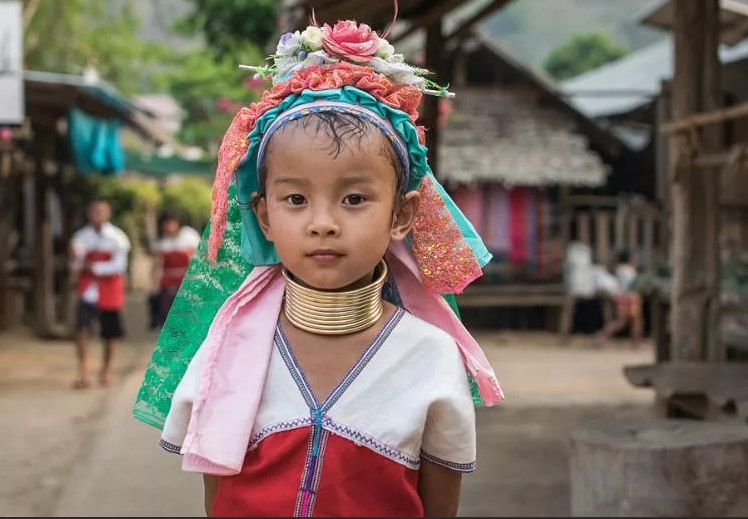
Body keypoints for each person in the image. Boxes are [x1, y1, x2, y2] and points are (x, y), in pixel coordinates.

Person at [134, 13, 502, 517]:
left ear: (402, 214)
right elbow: (217, 503)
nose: (322, 223)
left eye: (353, 198)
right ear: (262, 215)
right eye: (295, 200)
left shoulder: (432, 358)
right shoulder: (226, 350)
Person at [70, 199, 131, 389]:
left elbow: (119, 266)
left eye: (101, 211)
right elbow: (74, 264)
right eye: (94, 211)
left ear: (108, 214)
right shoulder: (80, 237)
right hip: (88, 290)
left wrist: (94, 267)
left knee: (109, 334)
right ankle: (83, 371)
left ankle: (105, 370)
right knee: (81, 329)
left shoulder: (117, 238)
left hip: (109, 291)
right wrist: (78, 262)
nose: (97, 215)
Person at [149, 214, 201, 329]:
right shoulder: (162, 243)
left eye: (170, 223)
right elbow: (158, 265)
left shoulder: (189, 237)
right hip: (168, 280)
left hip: (186, 278)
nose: (168, 227)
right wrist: (155, 283)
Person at [593, 249, 643, 349]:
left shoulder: (619, 269)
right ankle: (635, 344)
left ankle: (599, 338)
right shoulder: (629, 270)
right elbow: (632, 285)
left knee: (620, 322)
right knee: (636, 321)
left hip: (621, 297)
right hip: (630, 297)